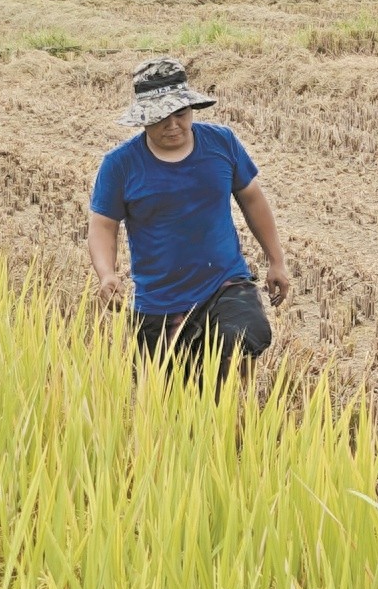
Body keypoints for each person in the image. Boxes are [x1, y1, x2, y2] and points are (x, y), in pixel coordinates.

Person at [87, 56, 290, 379]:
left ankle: (236, 420)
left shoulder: (221, 143)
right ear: (143, 119)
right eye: (160, 118)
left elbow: (252, 198)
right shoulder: (120, 165)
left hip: (224, 281)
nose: (173, 125)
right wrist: (107, 274)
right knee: (171, 399)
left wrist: (275, 260)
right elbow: (103, 226)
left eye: (180, 114)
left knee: (242, 339)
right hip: (160, 300)